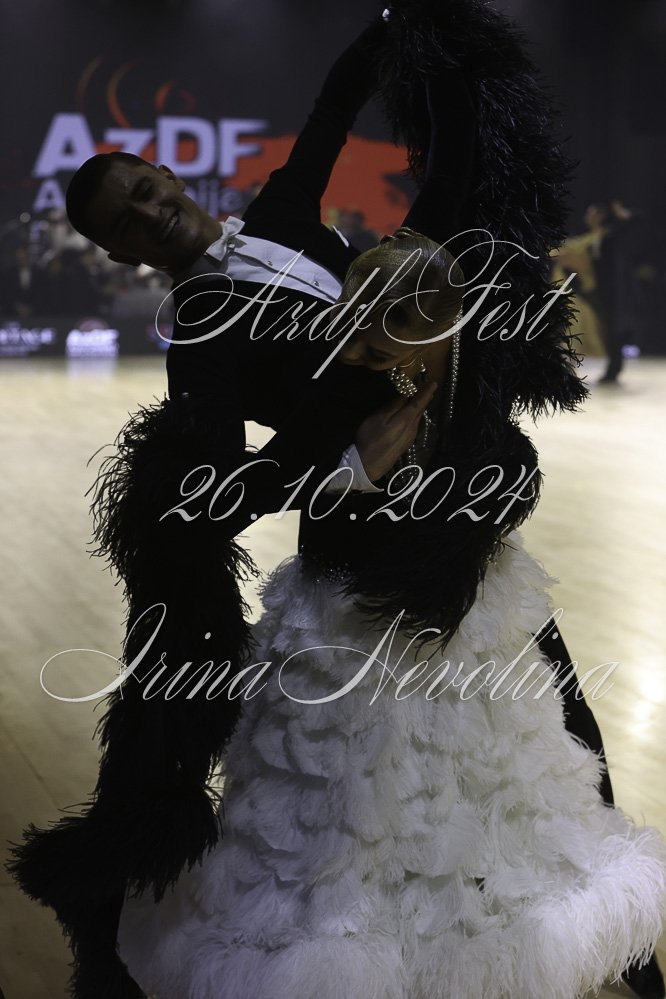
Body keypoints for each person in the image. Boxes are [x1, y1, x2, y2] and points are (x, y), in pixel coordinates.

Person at [8, 3, 666, 998]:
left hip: (453, 502)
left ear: (168, 175)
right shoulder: (199, 338)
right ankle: (391, 952)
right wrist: (342, 457)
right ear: (119, 252)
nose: (149, 213)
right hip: (367, 543)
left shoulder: (279, 213)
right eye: (125, 222)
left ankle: (624, 939)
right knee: (378, 783)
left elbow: (332, 109)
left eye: (145, 190)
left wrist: (400, 29)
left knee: (554, 715)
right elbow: (227, 492)